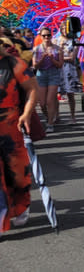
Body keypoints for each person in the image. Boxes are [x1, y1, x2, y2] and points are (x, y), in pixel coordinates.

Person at [0, 36, 38, 236]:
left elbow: (32, 89)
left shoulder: (14, 64)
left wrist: (26, 113)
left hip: (11, 127)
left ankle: (21, 207)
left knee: (17, 174)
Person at [32, 27, 62, 132]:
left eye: (48, 35)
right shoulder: (36, 49)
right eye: (44, 35)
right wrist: (42, 59)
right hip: (41, 74)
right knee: (42, 103)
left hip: (53, 74)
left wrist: (53, 59)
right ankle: (49, 116)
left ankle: (50, 124)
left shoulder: (57, 49)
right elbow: (35, 66)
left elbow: (60, 65)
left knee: (50, 100)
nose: (46, 37)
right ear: (40, 37)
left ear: (51, 36)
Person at [57, 20, 81, 124]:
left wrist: (61, 56)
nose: (64, 30)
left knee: (70, 93)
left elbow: (72, 57)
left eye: (65, 28)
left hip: (69, 69)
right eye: (62, 28)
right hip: (57, 68)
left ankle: (73, 116)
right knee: (56, 93)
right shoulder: (56, 40)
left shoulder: (74, 41)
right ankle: (56, 116)